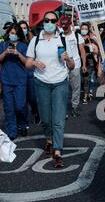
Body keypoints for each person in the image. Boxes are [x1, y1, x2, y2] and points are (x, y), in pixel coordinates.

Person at [26, 11, 75, 168]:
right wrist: (34, 63)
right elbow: (27, 63)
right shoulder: (35, 40)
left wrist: (68, 59)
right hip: (41, 82)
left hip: (60, 82)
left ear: (56, 23)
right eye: (46, 20)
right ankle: (48, 139)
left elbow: (72, 66)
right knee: (46, 118)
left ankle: (57, 150)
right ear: (43, 21)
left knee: (58, 119)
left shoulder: (62, 40)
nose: (49, 23)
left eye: (53, 21)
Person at [0, 23, 28, 140]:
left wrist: (18, 54)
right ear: (8, 34)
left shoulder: (23, 46)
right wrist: (5, 52)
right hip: (6, 81)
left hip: (20, 81)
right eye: (12, 33)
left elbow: (27, 62)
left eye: (16, 33)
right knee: (9, 108)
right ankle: (12, 131)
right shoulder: (3, 44)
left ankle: (22, 124)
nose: (13, 35)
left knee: (20, 106)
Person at [60, 16, 86, 118]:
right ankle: (63, 109)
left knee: (76, 88)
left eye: (66, 26)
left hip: (76, 65)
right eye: (63, 27)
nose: (65, 28)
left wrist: (84, 65)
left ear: (70, 25)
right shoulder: (59, 36)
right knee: (63, 89)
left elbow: (82, 51)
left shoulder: (76, 35)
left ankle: (74, 107)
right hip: (63, 66)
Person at [18, 20, 39, 124]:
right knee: (22, 99)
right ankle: (24, 121)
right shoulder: (17, 42)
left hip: (31, 72)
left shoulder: (33, 40)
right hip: (20, 73)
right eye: (21, 28)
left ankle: (35, 111)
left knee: (33, 97)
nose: (23, 30)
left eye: (24, 27)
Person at [80, 22, 100, 104]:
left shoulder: (91, 39)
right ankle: (86, 92)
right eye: (82, 29)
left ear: (88, 30)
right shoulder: (77, 38)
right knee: (82, 80)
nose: (84, 30)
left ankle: (86, 95)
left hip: (89, 62)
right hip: (79, 62)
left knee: (87, 79)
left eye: (85, 29)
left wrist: (91, 50)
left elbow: (96, 51)